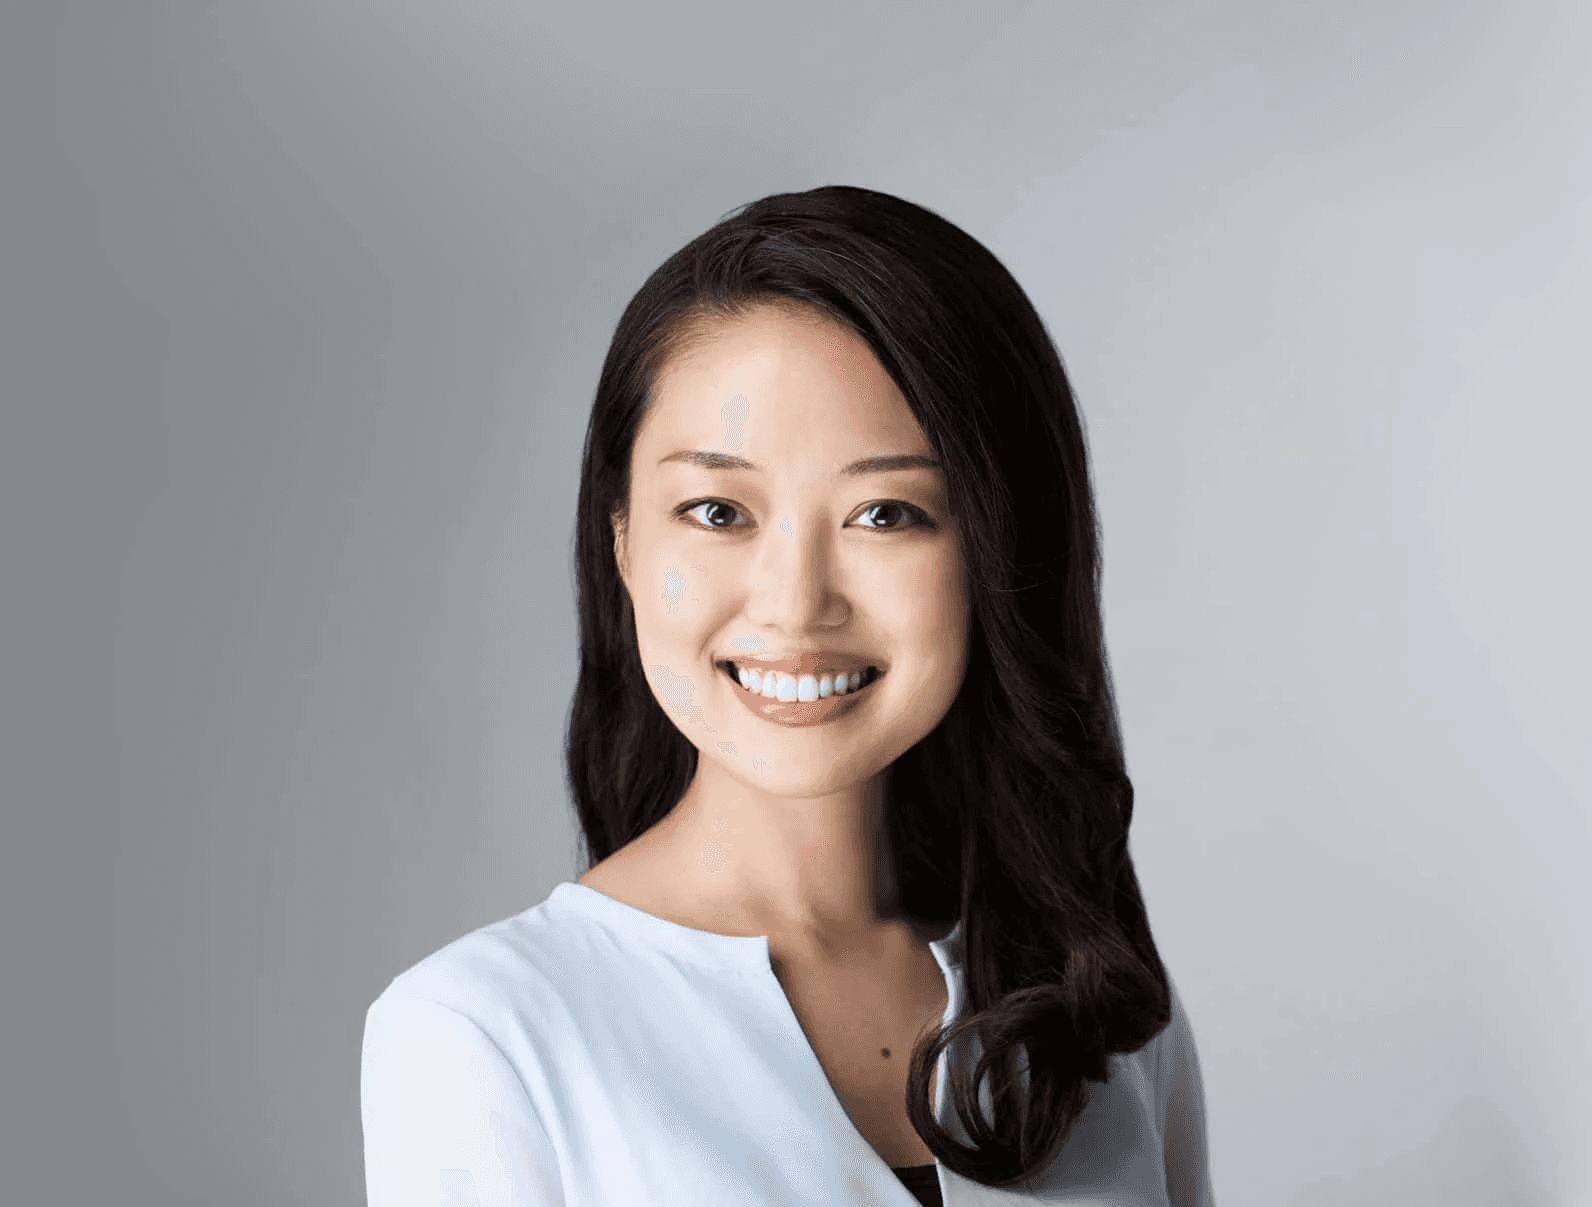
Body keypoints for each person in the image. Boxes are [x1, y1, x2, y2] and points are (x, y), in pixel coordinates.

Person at [360, 185, 1215, 1206]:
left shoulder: (1099, 1016)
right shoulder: (483, 1034)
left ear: (1002, 550)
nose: (795, 602)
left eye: (886, 512)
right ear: (620, 536)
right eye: (718, 510)